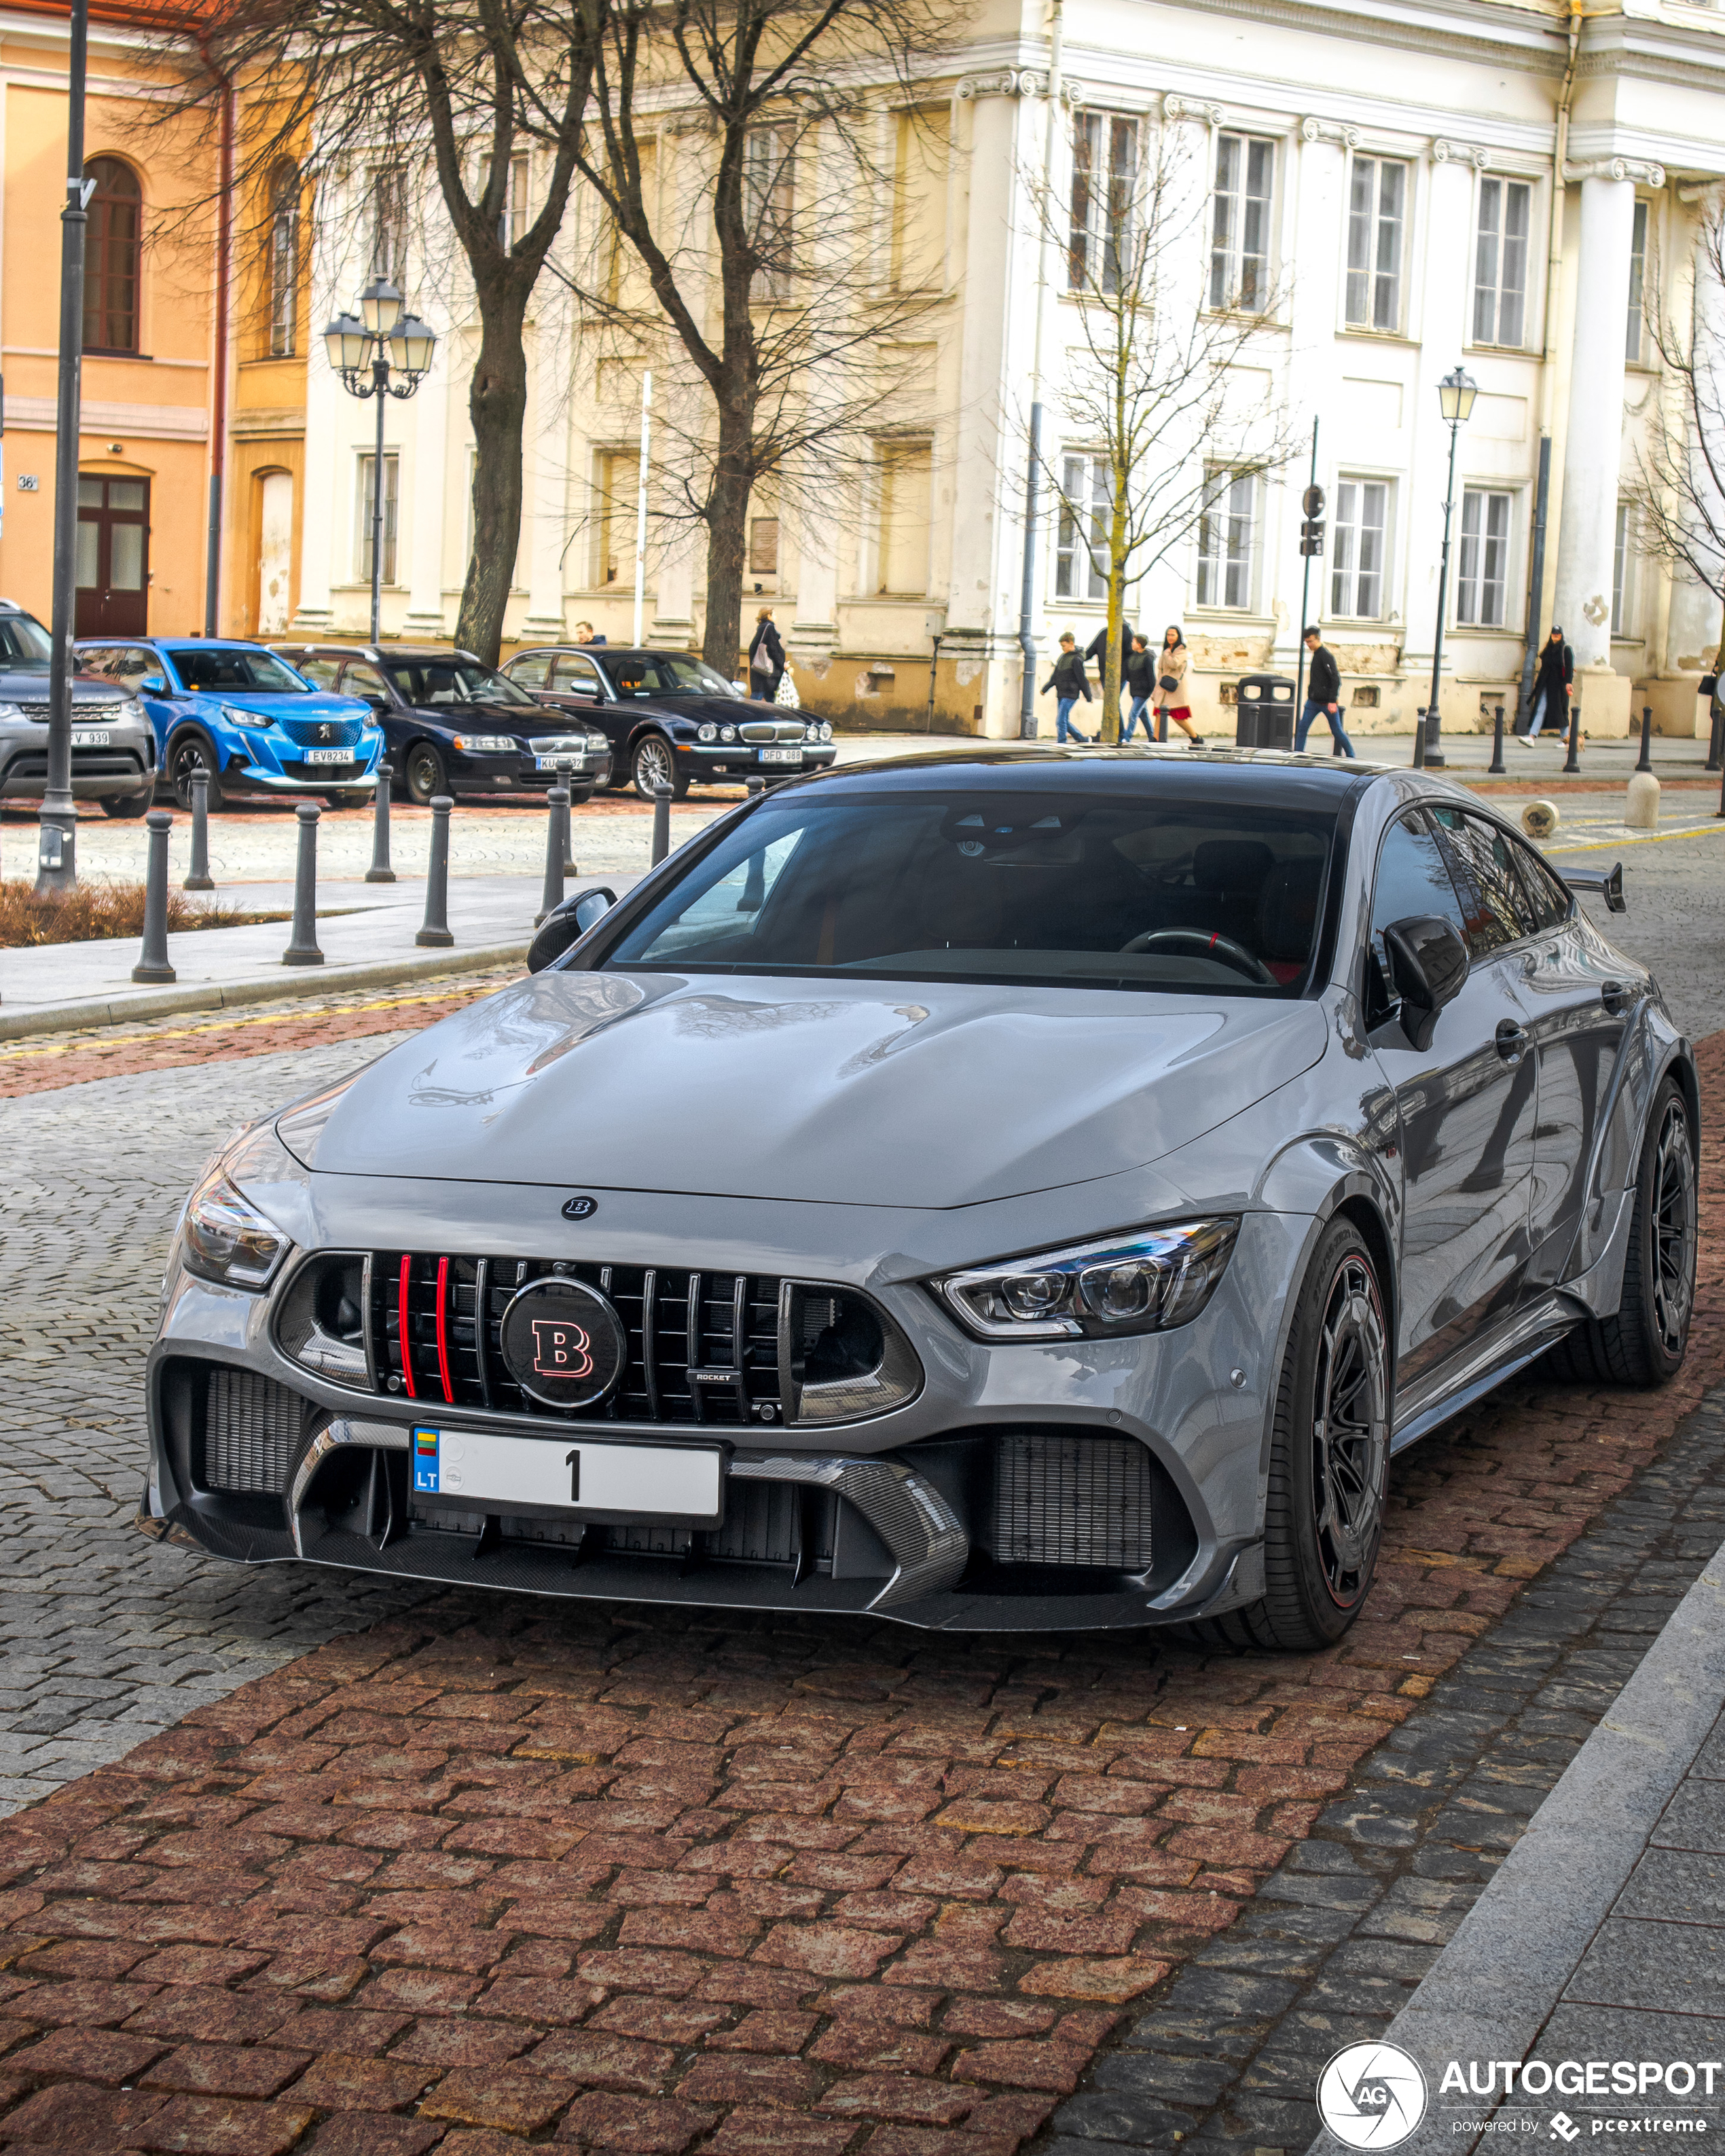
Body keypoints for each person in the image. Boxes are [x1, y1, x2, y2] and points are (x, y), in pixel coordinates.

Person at [1295, 627, 1354, 756]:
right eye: (1306, 642)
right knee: (1302, 728)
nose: (1309, 645)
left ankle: (1351, 756)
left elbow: (1335, 679)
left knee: (1337, 731)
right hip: (1313, 701)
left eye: (1311, 641)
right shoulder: (1316, 655)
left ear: (1318, 639)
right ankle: (1297, 755)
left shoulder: (1325, 656)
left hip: (1327, 703)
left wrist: (1332, 701)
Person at [1151, 626, 1203, 745]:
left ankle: (1195, 737)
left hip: (1175, 688)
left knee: (1178, 717)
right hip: (1163, 687)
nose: (1170, 637)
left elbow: (1174, 664)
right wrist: (1156, 689)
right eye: (1168, 635)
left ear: (1178, 636)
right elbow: (1161, 671)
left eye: (1173, 635)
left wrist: (1167, 653)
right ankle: (1155, 739)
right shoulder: (1167, 650)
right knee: (1159, 713)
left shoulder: (1182, 651)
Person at [1521, 626, 1573, 744]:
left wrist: (1568, 683)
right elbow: (1544, 668)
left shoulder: (1566, 650)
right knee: (1540, 709)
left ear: (1561, 635)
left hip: (1560, 686)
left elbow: (1569, 668)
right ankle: (1531, 737)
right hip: (1546, 684)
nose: (1555, 636)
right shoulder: (1548, 649)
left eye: (1558, 634)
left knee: (1561, 711)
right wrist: (1538, 683)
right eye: (1554, 634)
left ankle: (1565, 740)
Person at [1040, 632, 1093, 741]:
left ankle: (1062, 742)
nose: (1062, 649)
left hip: (1071, 693)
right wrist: (1046, 688)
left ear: (1071, 643)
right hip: (1061, 692)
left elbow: (1082, 679)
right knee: (1063, 720)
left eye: (1064, 646)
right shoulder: (1062, 658)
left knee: (1061, 720)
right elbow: (1055, 676)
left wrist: (1088, 696)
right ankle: (1082, 739)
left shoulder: (1076, 659)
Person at [1085, 619, 1135, 727]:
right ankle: (1117, 732)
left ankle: (1120, 733)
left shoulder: (1126, 633)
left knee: (1113, 704)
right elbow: (1090, 652)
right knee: (1112, 704)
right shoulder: (1104, 633)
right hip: (1105, 676)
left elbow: (1130, 652)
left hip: (1121, 676)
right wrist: (1077, 656)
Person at [1121, 635, 1156, 743]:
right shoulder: (1131, 658)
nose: (1132, 644)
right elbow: (1126, 675)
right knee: (1143, 716)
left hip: (1143, 692)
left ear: (1139, 645)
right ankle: (1152, 737)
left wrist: (1152, 692)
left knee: (1133, 714)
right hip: (1134, 691)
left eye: (1134, 642)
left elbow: (1151, 677)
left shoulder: (1148, 658)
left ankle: (1127, 738)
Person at [748, 608, 784, 702]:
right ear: (769, 616)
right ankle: (749, 714)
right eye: (774, 615)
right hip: (766, 671)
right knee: (758, 697)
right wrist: (782, 664)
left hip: (762, 670)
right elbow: (773, 648)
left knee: (768, 696)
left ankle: (774, 715)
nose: (776, 617)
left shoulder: (763, 627)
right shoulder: (769, 627)